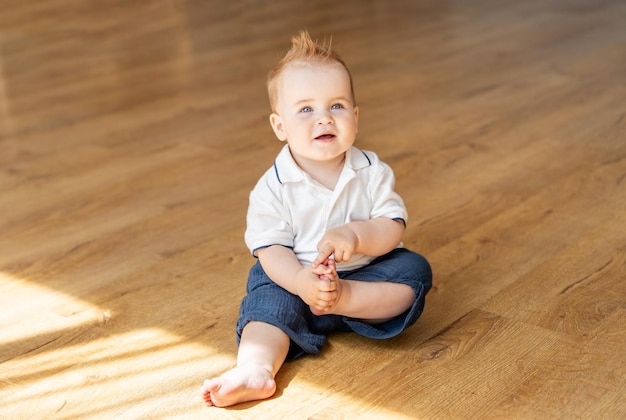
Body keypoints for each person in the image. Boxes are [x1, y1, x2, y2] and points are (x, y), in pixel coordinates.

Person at [201, 30, 432, 408]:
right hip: (297, 279)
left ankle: (341, 301)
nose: (324, 118)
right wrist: (299, 280)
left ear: (355, 116)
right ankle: (256, 369)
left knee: (414, 272)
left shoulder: (372, 170)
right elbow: (271, 248)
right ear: (279, 126)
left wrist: (357, 236)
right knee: (266, 296)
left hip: (363, 277)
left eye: (337, 106)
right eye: (306, 109)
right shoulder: (271, 187)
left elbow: (393, 227)